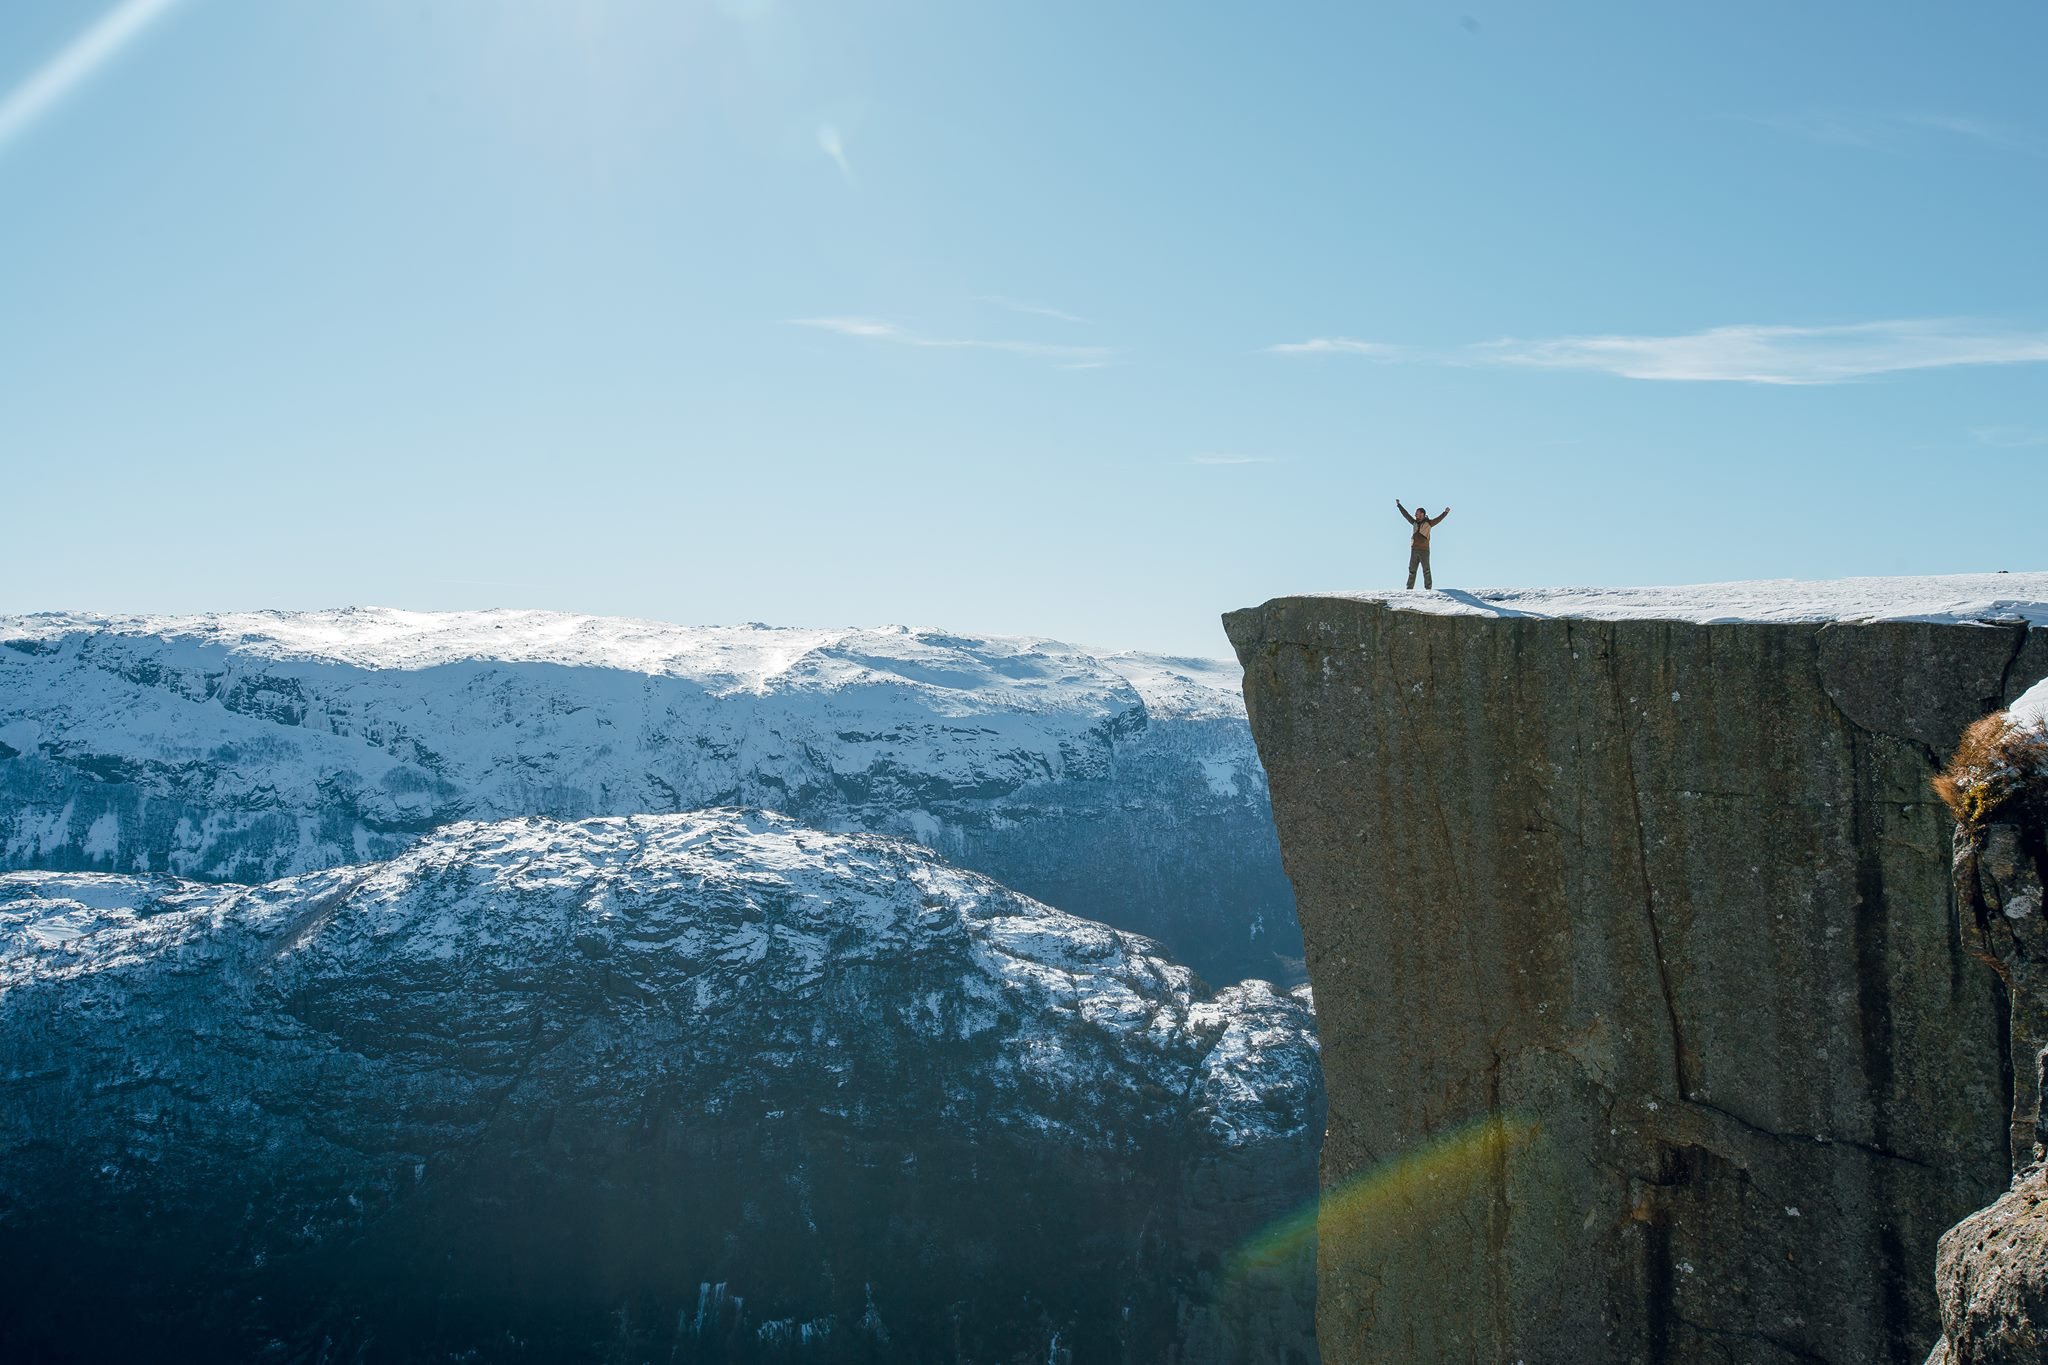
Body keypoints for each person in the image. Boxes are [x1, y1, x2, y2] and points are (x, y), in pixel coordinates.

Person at [1396, 500, 1449, 589]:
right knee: (1412, 570)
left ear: (1422, 514)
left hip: (1424, 550)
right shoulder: (1414, 522)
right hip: (1414, 550)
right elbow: (1406, 515)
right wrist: (1399, 505)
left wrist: (1445, 512)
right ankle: (1409, 589)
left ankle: (1428, 589)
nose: (1415, 514)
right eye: (1415, 513)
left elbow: (1438, 519)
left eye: (1417, 513)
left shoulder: (1429, 523)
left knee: (1426, 570)